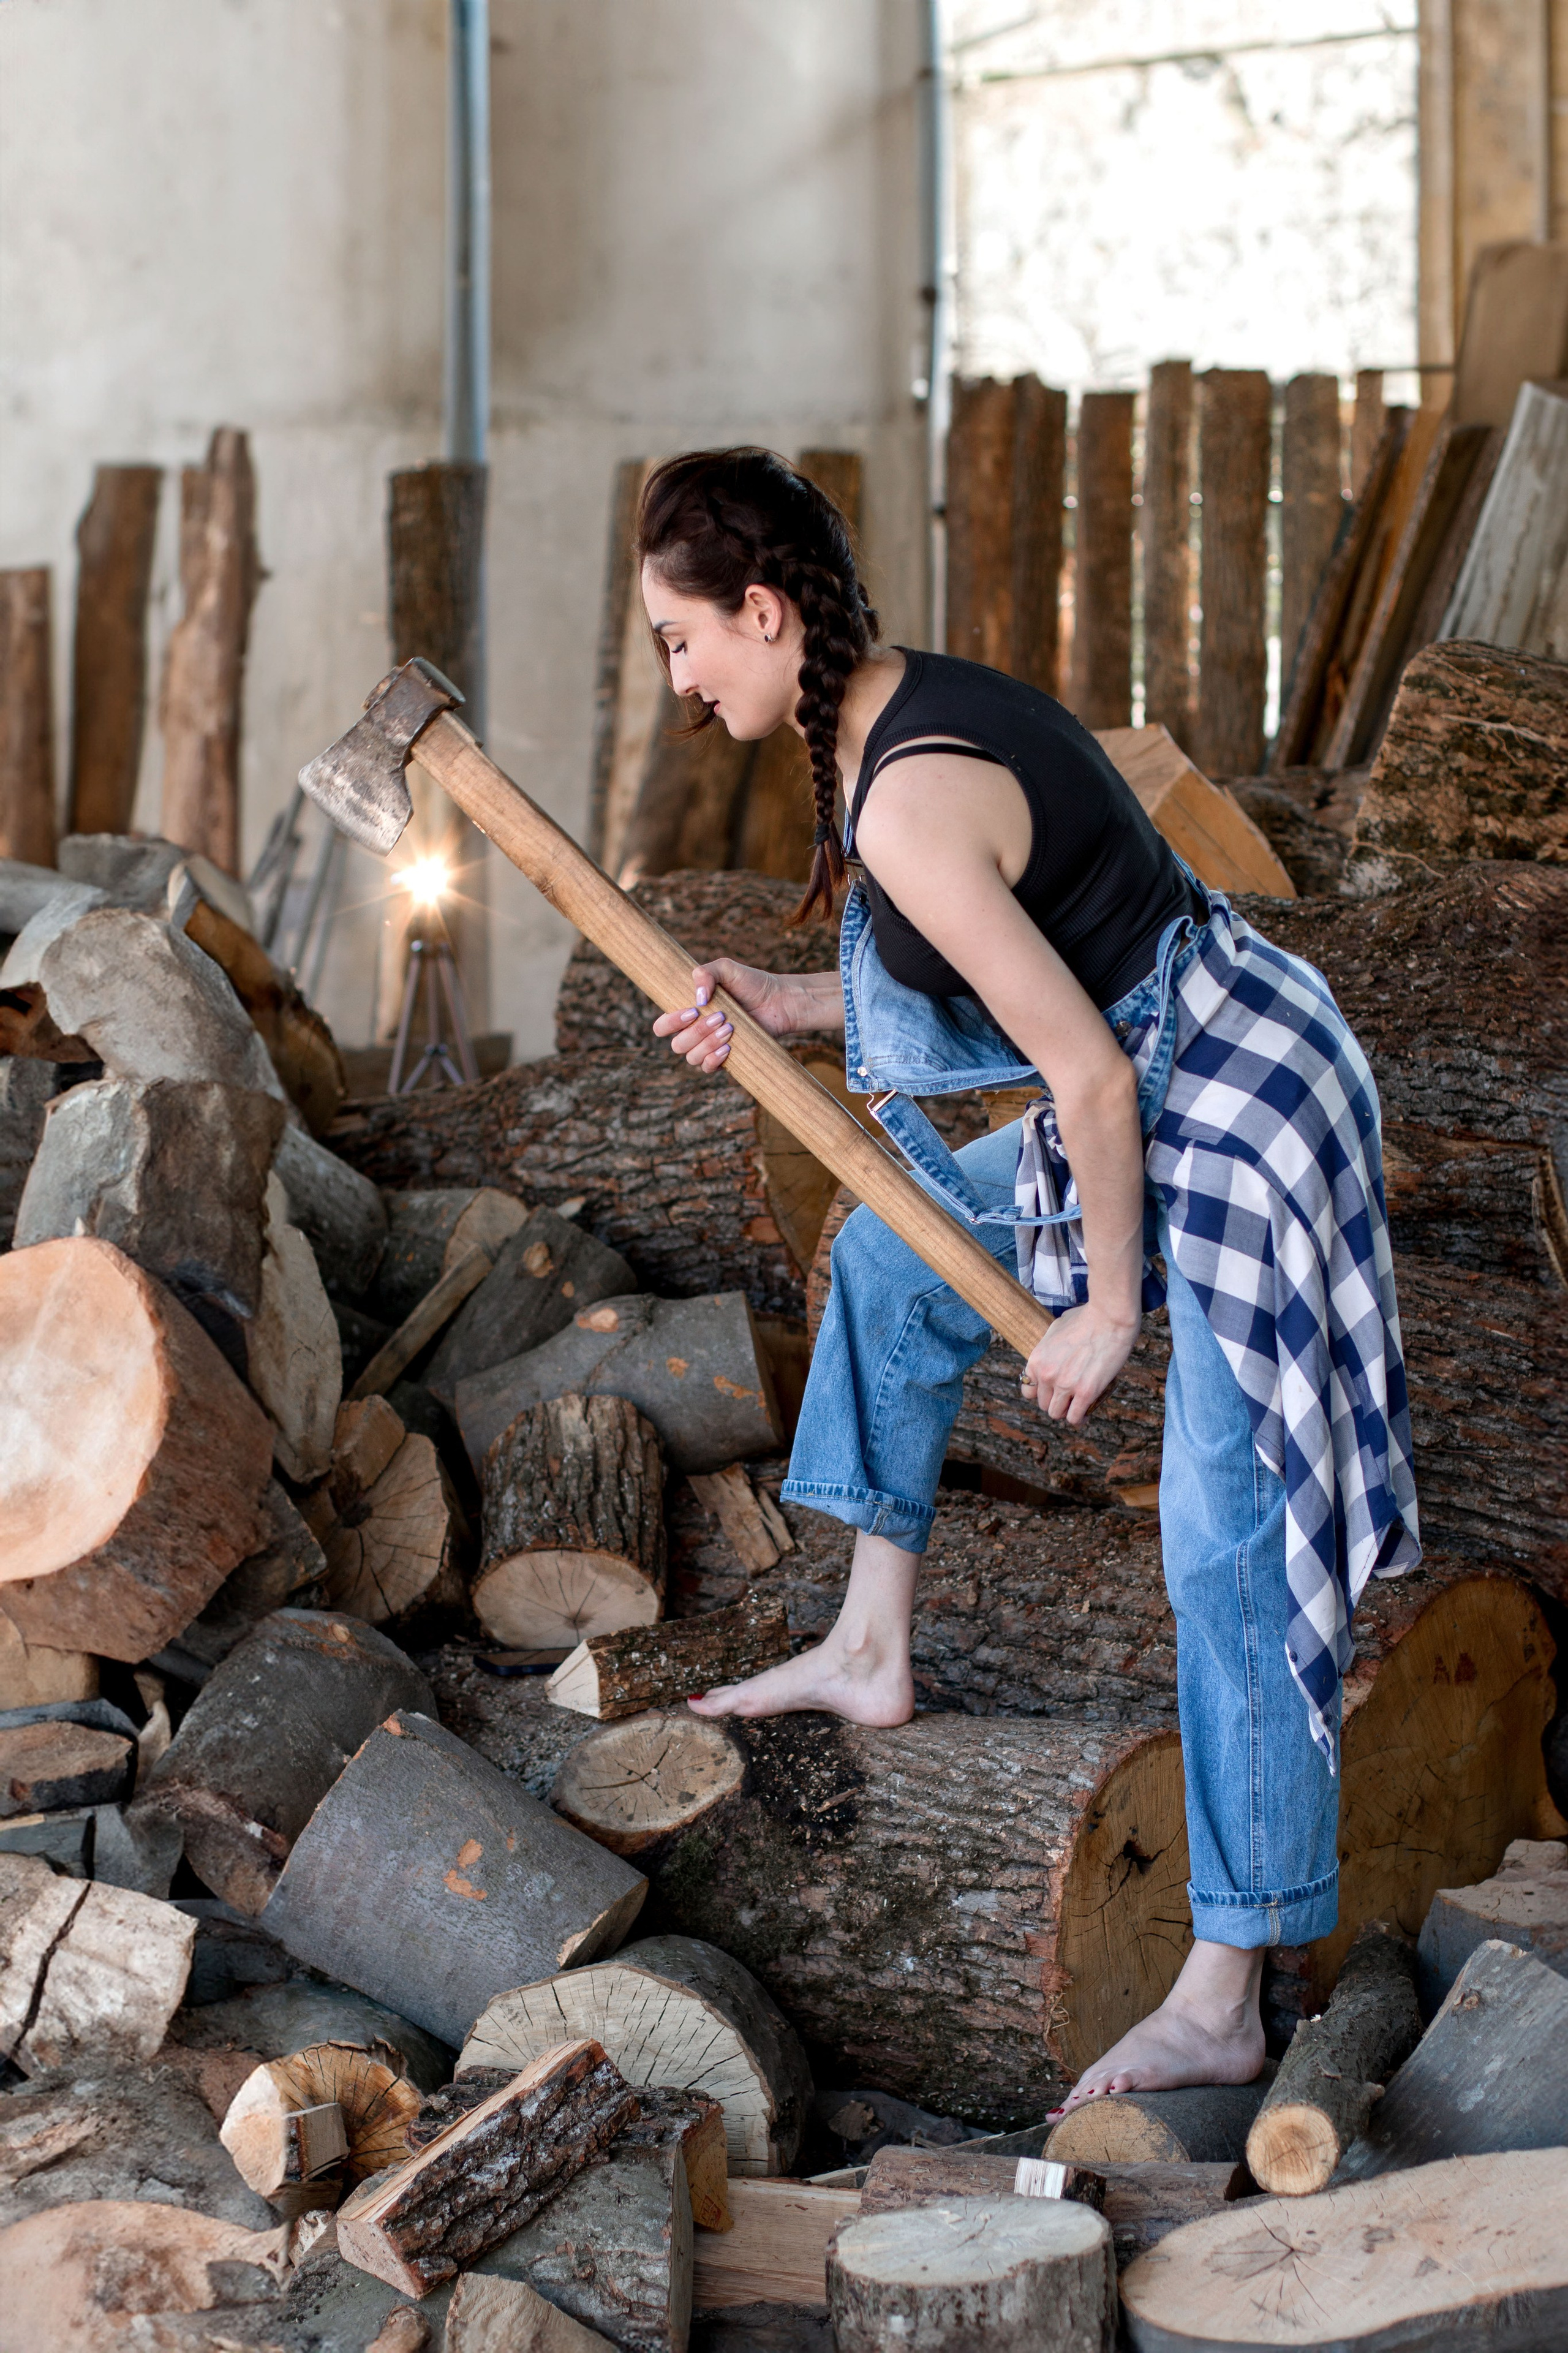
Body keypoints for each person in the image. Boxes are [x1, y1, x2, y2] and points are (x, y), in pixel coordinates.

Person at [636, 447, 1419, 2118]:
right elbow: (1006, 958)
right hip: (1155, 1062)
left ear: (764, 615)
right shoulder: (882, 716)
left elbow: (1090, 1074)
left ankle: (1230, 1985)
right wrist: (778, 999)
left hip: (1231, 1099)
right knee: (899, 1266)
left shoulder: (904, 790)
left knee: (1227, 1530)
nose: (681, 682)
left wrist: (1111, 1304)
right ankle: (869, 1640)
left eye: (683, 640)